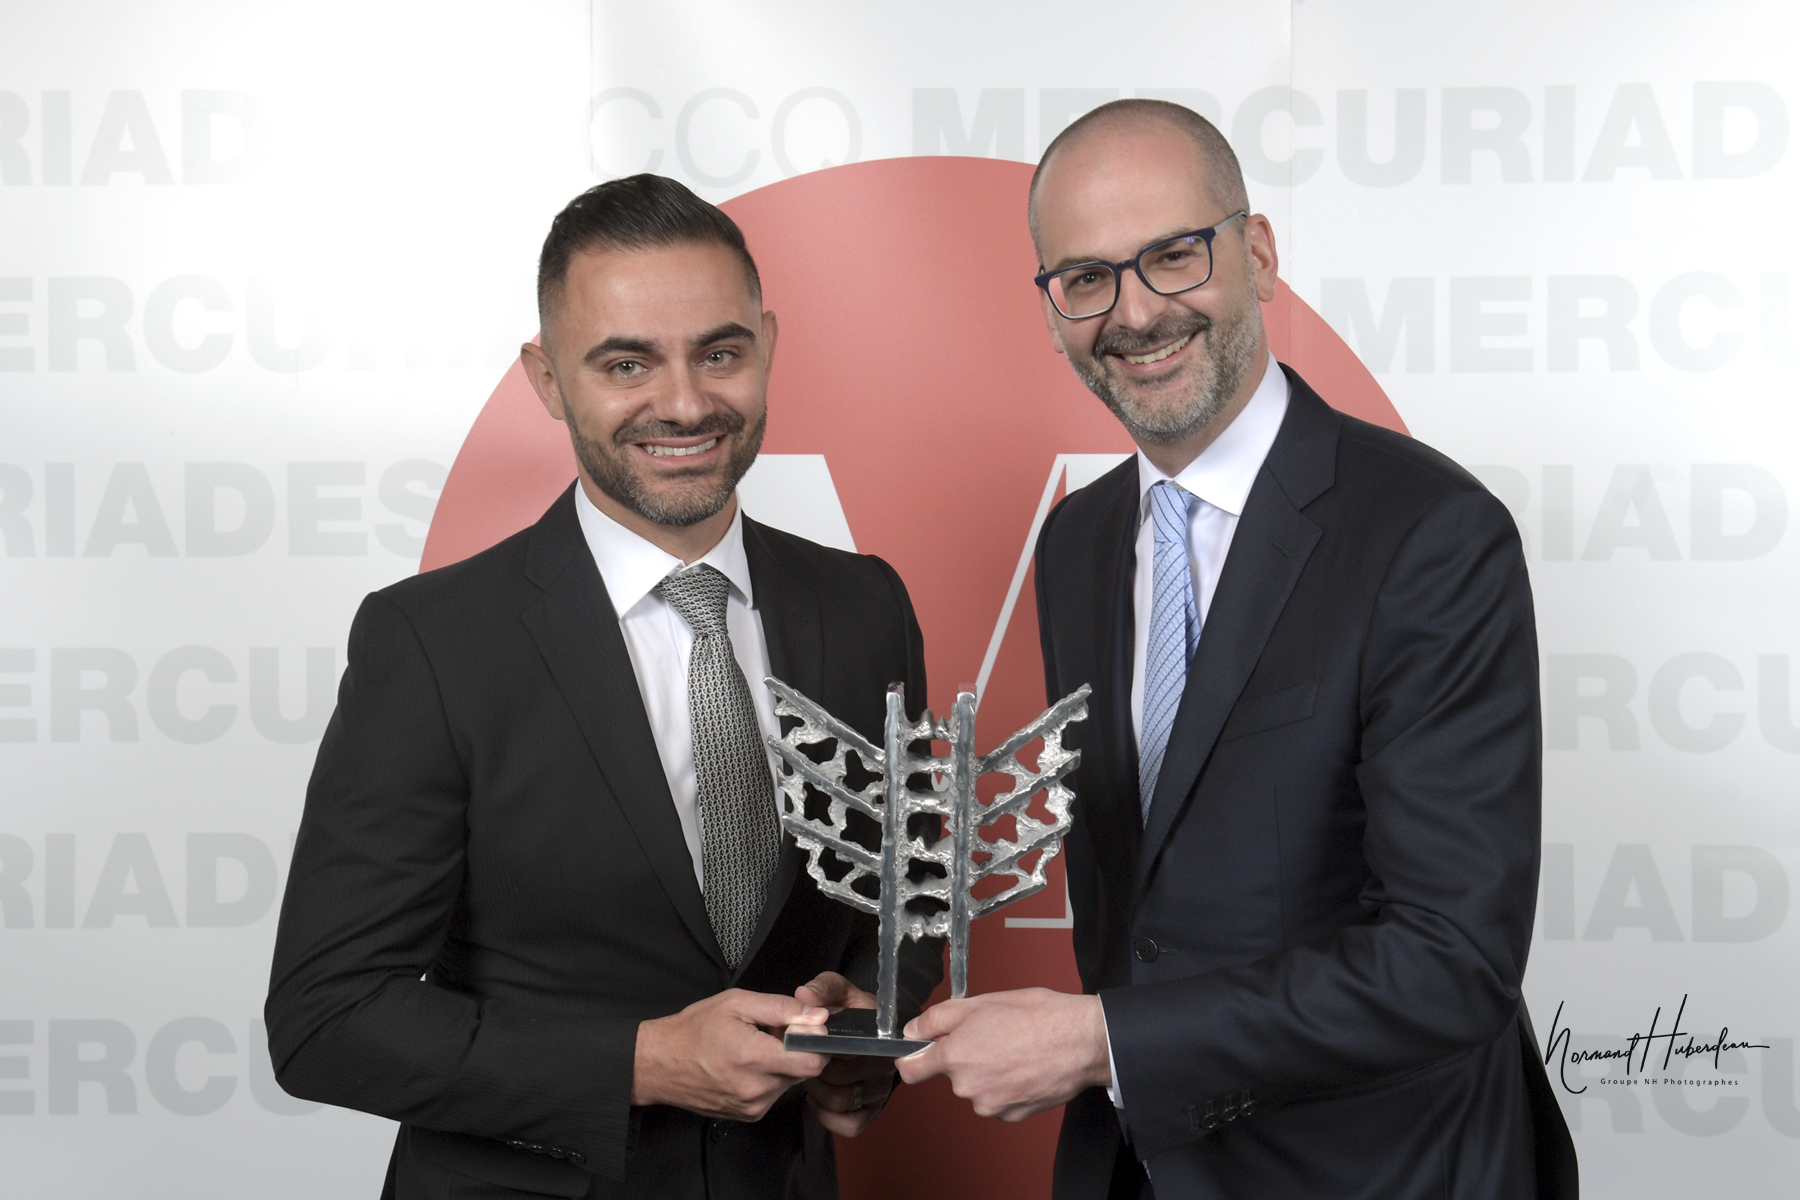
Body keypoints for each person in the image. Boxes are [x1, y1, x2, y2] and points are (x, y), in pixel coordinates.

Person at [897, 100, 1577, 1200]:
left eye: (1173, 255)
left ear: (1255, 254)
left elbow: (1452, 963)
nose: (1135, 313)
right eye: (1086, 278)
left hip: (1378, 1173)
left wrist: (1099, 1043)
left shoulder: (1429, 535)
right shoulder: (1077, 541)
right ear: (1052, 306)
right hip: (1141, 1167)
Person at [266, 174, 940, 1200]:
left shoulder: (865, 609)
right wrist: (644, 1060)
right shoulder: (433, 643)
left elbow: (909, 913)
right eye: (627, 363)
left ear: (767, 343)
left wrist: (863, 1034)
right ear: (546, 379)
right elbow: (327, 1019)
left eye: (720, 352)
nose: (684, 402)